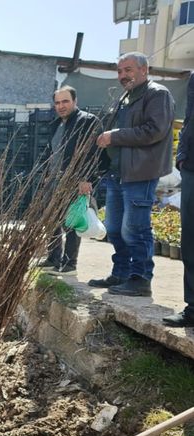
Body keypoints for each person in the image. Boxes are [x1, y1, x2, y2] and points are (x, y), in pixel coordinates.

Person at [90, 52, 174, 297]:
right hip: (118, 173)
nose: (123, 75)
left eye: (128, 69)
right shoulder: (126, 97)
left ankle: (140, 278)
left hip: (141, 173)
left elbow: (154, 130)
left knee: (135, 229)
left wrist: (114, 136)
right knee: (114, 228)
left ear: (144, 70)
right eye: (119, 71)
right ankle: (122, 273)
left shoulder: (157, 94)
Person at [37, 85, 102, 275]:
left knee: (73, 219)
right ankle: (53, 258)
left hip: (75, 180)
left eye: (65, 101)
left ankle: (69, 263)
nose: (61, 106)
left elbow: (93, 152)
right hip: (54, 180)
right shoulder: (56, 124)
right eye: (57, 102)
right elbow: (52, 152)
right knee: (50, 219)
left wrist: (86, 178)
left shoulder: (87, 121)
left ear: (75, 101)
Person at [164, 74, 194, 326]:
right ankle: (193, 307)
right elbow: (190, 115)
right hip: (193, 165)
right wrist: (182, 155)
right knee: (191, 238)